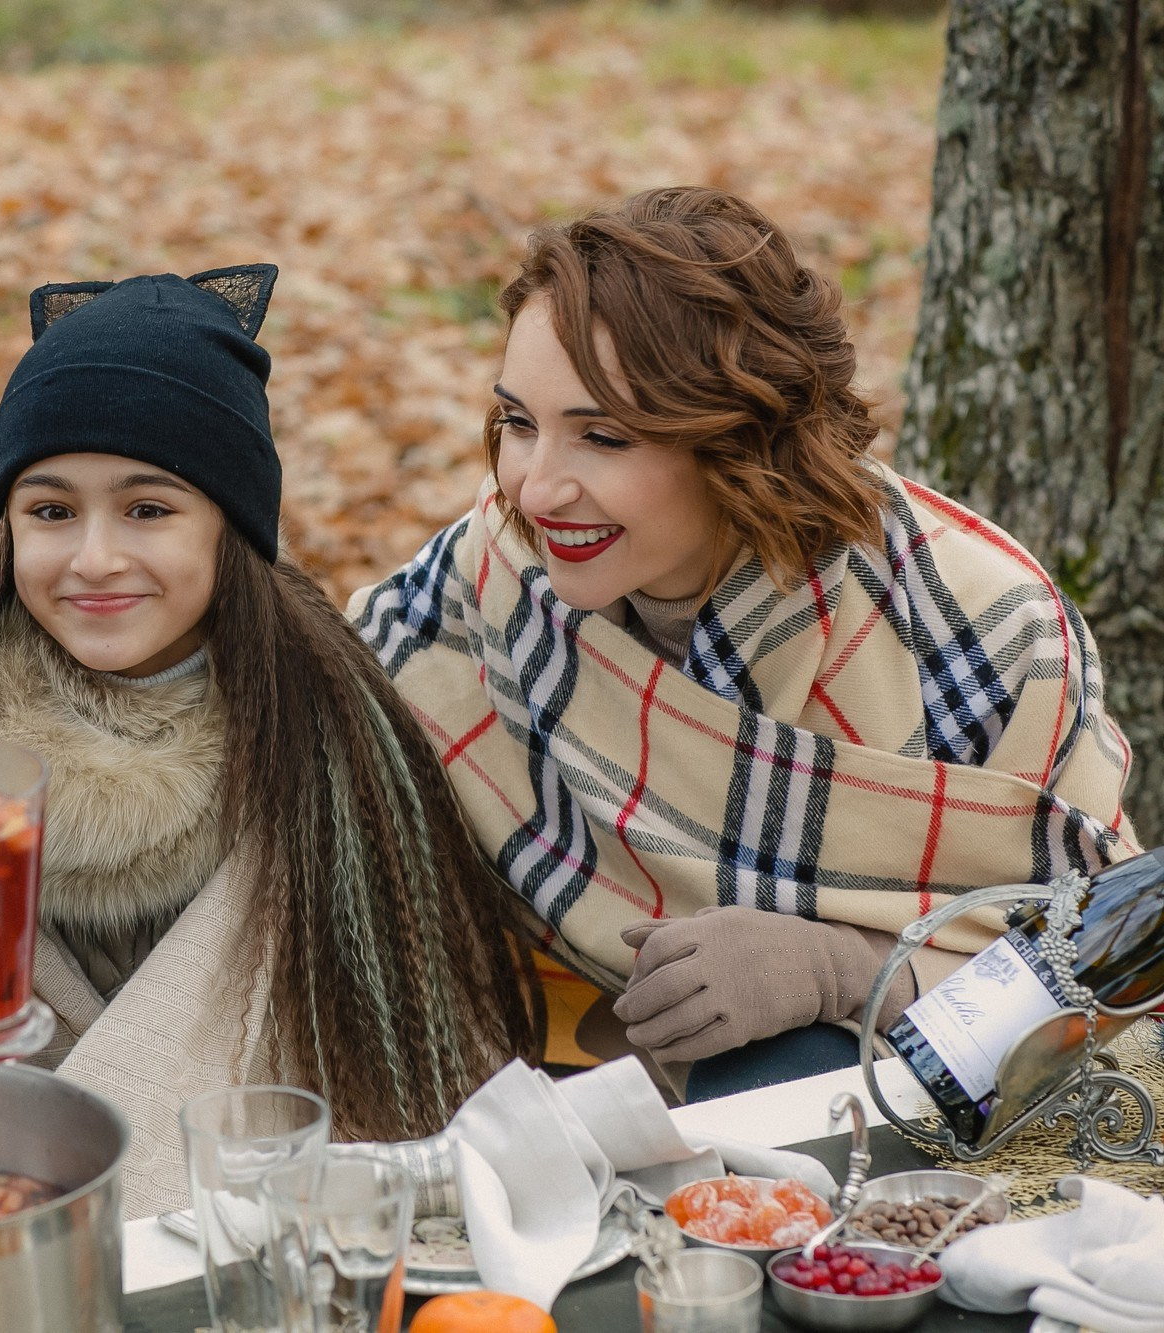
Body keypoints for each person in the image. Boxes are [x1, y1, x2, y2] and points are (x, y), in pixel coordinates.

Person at [350, 186, 1138, 1102]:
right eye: (520, 424)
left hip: (871, 1102)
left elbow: (1101, 962)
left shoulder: (979, 624)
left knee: (774, 1071)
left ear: (739, 439)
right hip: (547, 1054)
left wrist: (842, 968)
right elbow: (329, 732)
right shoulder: (494, 570)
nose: (534, 489)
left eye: (602, 436)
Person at [0, 265, 543, 1213]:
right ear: (5, 526)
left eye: (148, 509)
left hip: (249, 1206)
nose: (95, 557)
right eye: (52, 511)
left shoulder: (334, 727)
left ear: (231, 529)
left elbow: (418, 1053)